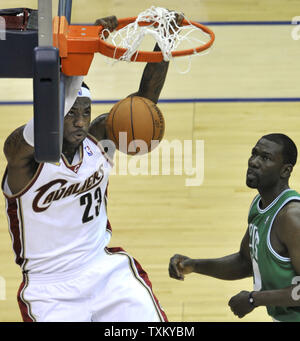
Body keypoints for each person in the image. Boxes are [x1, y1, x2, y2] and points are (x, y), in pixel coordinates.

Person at [1, 13, 183, 322]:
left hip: (103, 270)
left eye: (86, 112)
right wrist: (82, 49)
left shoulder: (98, 139)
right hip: (49, 288)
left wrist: (164, 39)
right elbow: (45, 118)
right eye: (72, 113)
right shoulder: (23, 156)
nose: (81, 122)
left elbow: (144, 104)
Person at [169, 134, 300, 322]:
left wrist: (254, 299)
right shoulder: (260, 205)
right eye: (254, 154)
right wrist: (193, 265)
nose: (254, 162)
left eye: (265, 158)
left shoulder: (291, 217)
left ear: (285, 170)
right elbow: (245, 262)